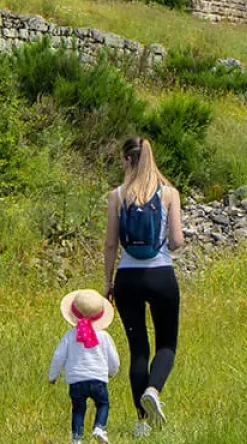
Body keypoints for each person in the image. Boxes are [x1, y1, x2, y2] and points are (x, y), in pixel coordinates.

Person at [102, 137, 185, 437]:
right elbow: (176, 241)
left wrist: (108, 282)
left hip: (128, 279)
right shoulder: (169, 194)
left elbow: (111, 243)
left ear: (127, 160)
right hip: (161, 276)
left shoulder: (117, 196)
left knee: (138, 349)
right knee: (166, 345)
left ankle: (141, 424)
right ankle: (154, 389)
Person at [48, 288, 120, 443]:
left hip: (76, 380)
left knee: (78, 409)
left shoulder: (70, 335)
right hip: (98, 379)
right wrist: (112, 372)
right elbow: (113, 359)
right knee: (103, 404)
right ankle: (99, 427)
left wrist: (52, 376)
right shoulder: (104, 336)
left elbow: (58, 356)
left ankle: (77, 438)